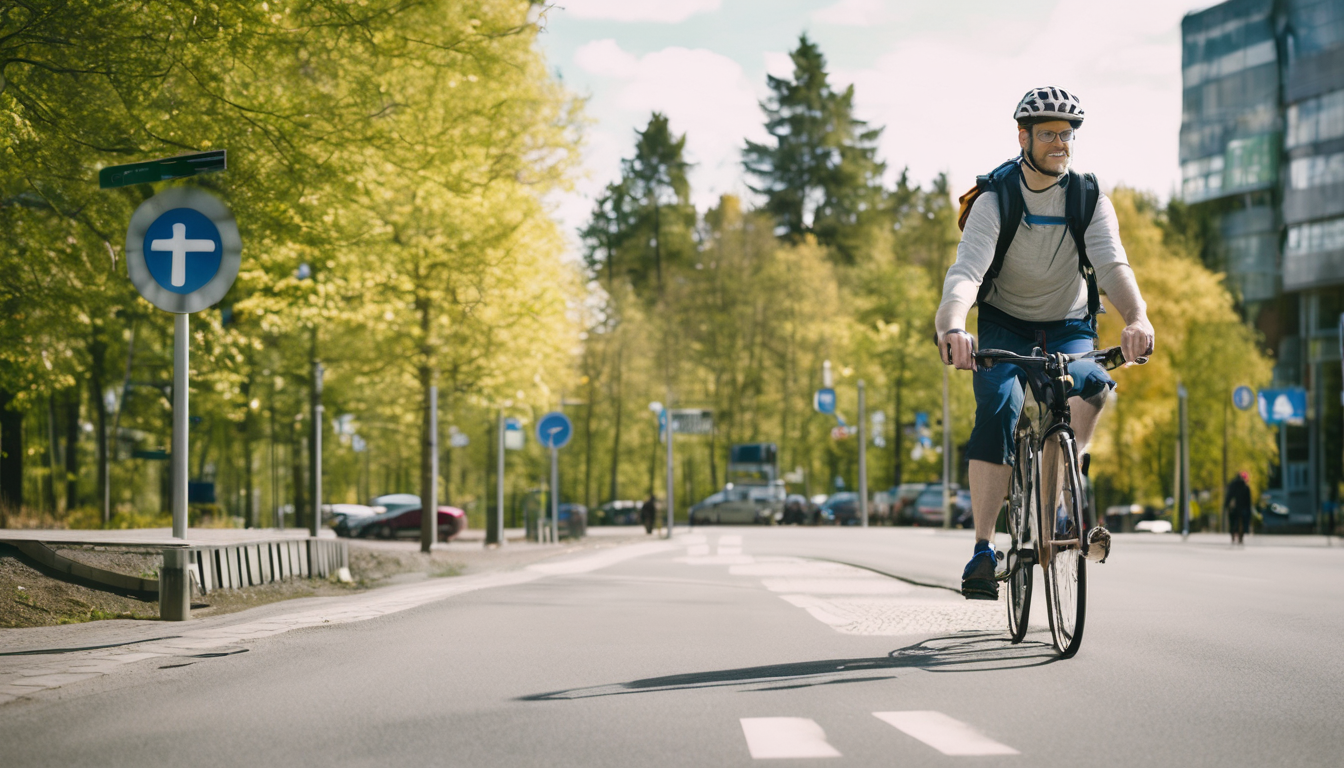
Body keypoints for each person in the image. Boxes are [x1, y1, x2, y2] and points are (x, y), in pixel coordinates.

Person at [936, 86, 1156, 600]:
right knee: (999, 406)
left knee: (1092, 385)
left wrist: (1137, 317)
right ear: (1024, 138)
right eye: (1049, 134)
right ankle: (984, 548)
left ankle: (1061, 498)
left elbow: (1112, 265)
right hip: (1004, 324)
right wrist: (952, 326)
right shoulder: (996, 198)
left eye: (1067, 134)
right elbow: (966, 273)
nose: (1061, 143)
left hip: (1069, 324)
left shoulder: (1088, 198)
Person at [1225, 471, 1252, 545]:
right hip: (1242, 508)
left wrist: (1226, 505)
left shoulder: (1232, 486)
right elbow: (1248, 500)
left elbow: (1229, 496)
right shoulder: (1245, 487)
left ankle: (1233, 534)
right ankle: (1241, 536)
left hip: (1233, 508)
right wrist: (1248, 509)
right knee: (1241, 523)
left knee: (1233, 522)